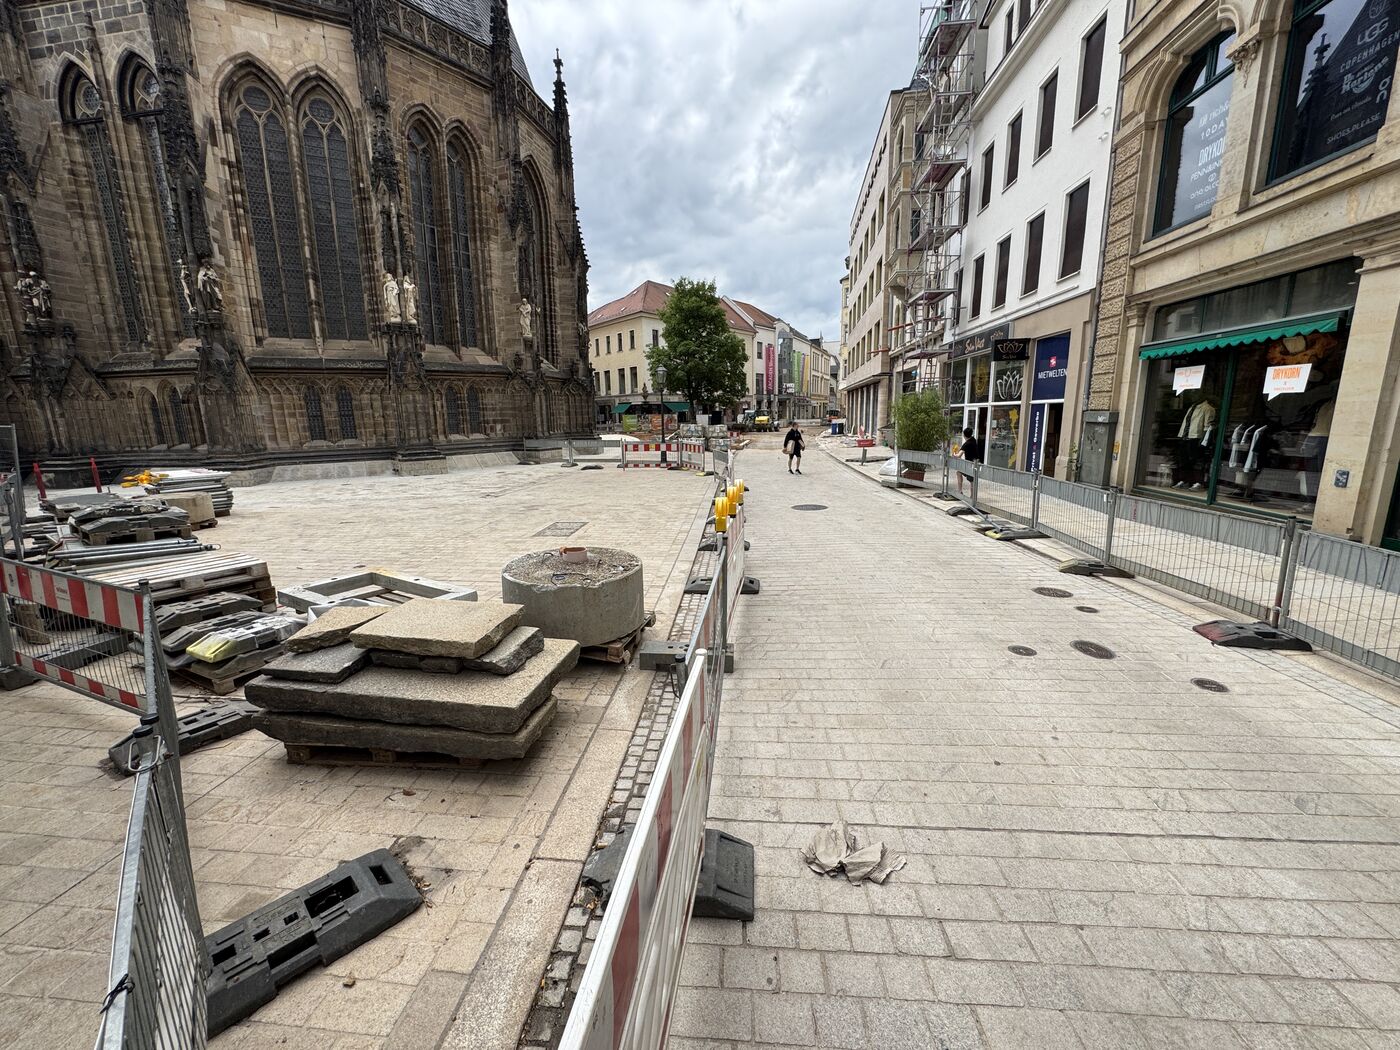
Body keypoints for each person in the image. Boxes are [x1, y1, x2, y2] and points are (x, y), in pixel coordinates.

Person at [957, 426, 983, 494]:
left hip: (970, 465)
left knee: (970, 480)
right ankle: (972, 496)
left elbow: (958, 455)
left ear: (964, 435)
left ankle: (960, 491)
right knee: (971, 480)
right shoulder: (973, 440)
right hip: (975, 463)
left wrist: (954, 454)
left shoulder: (966, 444)